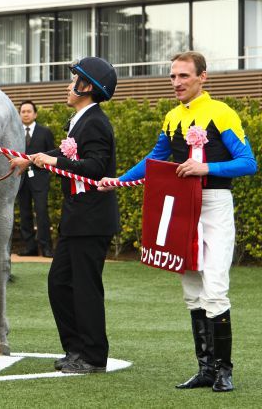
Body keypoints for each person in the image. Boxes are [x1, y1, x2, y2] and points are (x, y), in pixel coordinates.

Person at [102, 51, 257, 392]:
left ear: (203, 77)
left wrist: (207, 167)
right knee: (192, 292)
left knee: (215, 289)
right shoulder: (172, 117)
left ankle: (224, 371)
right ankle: (204, 370)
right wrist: (120, 180)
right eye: (173, 76)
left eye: (184, 76)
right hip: (183, 209)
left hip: (215, 205)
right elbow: (155, 160)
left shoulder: (221, 113)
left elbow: (248, 162)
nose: (177, 83)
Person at [13, 57, 119, 374]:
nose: (68, 86)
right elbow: (66, 155)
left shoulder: (96, 122)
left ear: (87, 87)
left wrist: (51, 161)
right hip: (76, 219)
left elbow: (95, 167)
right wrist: (31, 160)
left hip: (92, 220)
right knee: (59, 284)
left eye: (73, 80)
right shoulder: (79, 120)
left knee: (85, 289)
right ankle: (75, 348)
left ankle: (93, 356)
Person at [14, 100, 55, 257]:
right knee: (24, 213)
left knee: (42, 212)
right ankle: (29, 247)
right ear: (19, 115)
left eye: (28, 111)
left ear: (35, 114)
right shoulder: (15, 133)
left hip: (40, 179)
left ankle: (46, 247)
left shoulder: (45, 132)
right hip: (21, 179)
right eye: (23, 111)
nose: (25, 114)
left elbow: (52, 154)